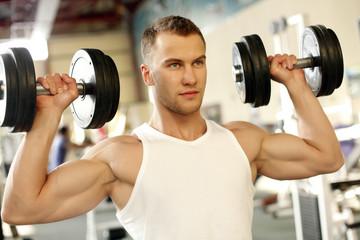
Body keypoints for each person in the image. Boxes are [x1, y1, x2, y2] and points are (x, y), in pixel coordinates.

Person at [1, 15, 344, 239]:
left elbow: (327, 158)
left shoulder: (242, 141)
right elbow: (21, 208)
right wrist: (47, 115)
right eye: (174, 64)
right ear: (148, 74)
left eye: (198, 62)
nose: (191, 77)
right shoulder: (121, 157)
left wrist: (295, 83)